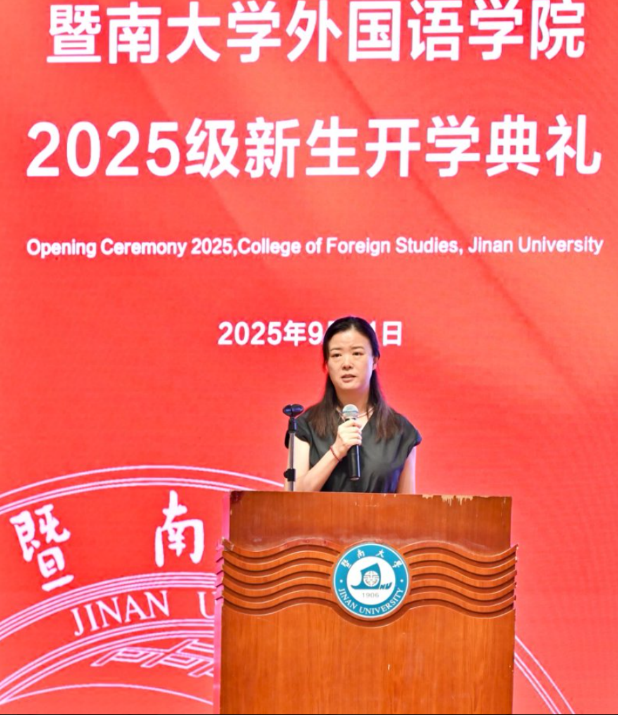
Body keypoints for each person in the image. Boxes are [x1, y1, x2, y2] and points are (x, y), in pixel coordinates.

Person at [291, 316, 421, 493]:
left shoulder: (401, 431)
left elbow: (408, 505)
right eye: (336, 355)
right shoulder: (305, 425)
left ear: (374, 360)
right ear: (327, 364)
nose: (346, 364)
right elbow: (292, 497)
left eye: (357, 353)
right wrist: (336, 452)